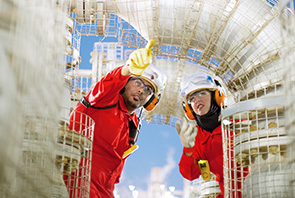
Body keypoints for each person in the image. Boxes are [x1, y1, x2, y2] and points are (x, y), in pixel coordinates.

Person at [65, 40, 167, 198]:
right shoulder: (104, 100)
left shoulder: (132, 124)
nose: (141, 90)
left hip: (104, 192)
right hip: (76, 185)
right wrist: (128, 69)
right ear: (125, 83)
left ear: (150, 100)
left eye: (148, 89)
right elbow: (110, 82)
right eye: (138, 82)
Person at [175, 72, 226, 197]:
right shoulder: (196, 137)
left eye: (202, 93)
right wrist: (188, 148)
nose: (197, 100)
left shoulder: (236, 124)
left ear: (217, 96)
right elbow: (190, 174)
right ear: (188, 108)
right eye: (192, 98)